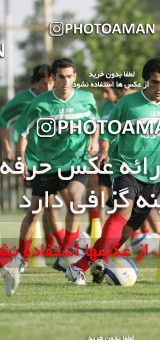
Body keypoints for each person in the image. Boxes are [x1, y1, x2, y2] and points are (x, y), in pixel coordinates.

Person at [65, 57, 160, 285]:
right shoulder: (126, 104)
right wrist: (104, 149)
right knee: (123, 211)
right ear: (145, 81)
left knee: (125, 232)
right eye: (155, 82)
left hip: (155, 174)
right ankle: (90, 264)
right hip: (126, 167)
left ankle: (82, 266)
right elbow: (107, 132)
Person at [0, 58, 99, 296]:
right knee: (35, 211)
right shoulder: (40, 104)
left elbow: (94, 124)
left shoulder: (87, 99)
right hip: (45, 164)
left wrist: (94, 141)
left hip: (76, 162)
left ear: (75, 77)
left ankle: (67, 256)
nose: (66, 81)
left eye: (70, 76)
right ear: (53, 78)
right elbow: (22, 132)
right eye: (61, 77)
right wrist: (21, 158)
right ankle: (20, 258)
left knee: (75, 203)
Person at [0, 65, 65, 252]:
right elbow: (3, 120)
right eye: (45, 82)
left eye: (52, 81)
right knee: (46, 203)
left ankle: (55, 246)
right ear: (35, 82)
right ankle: (62, 248)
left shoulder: (56, 99)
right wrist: (7, 149)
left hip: (54, 157)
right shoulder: (23, 99)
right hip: (32, 157)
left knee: (47, 203)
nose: (49, 85)